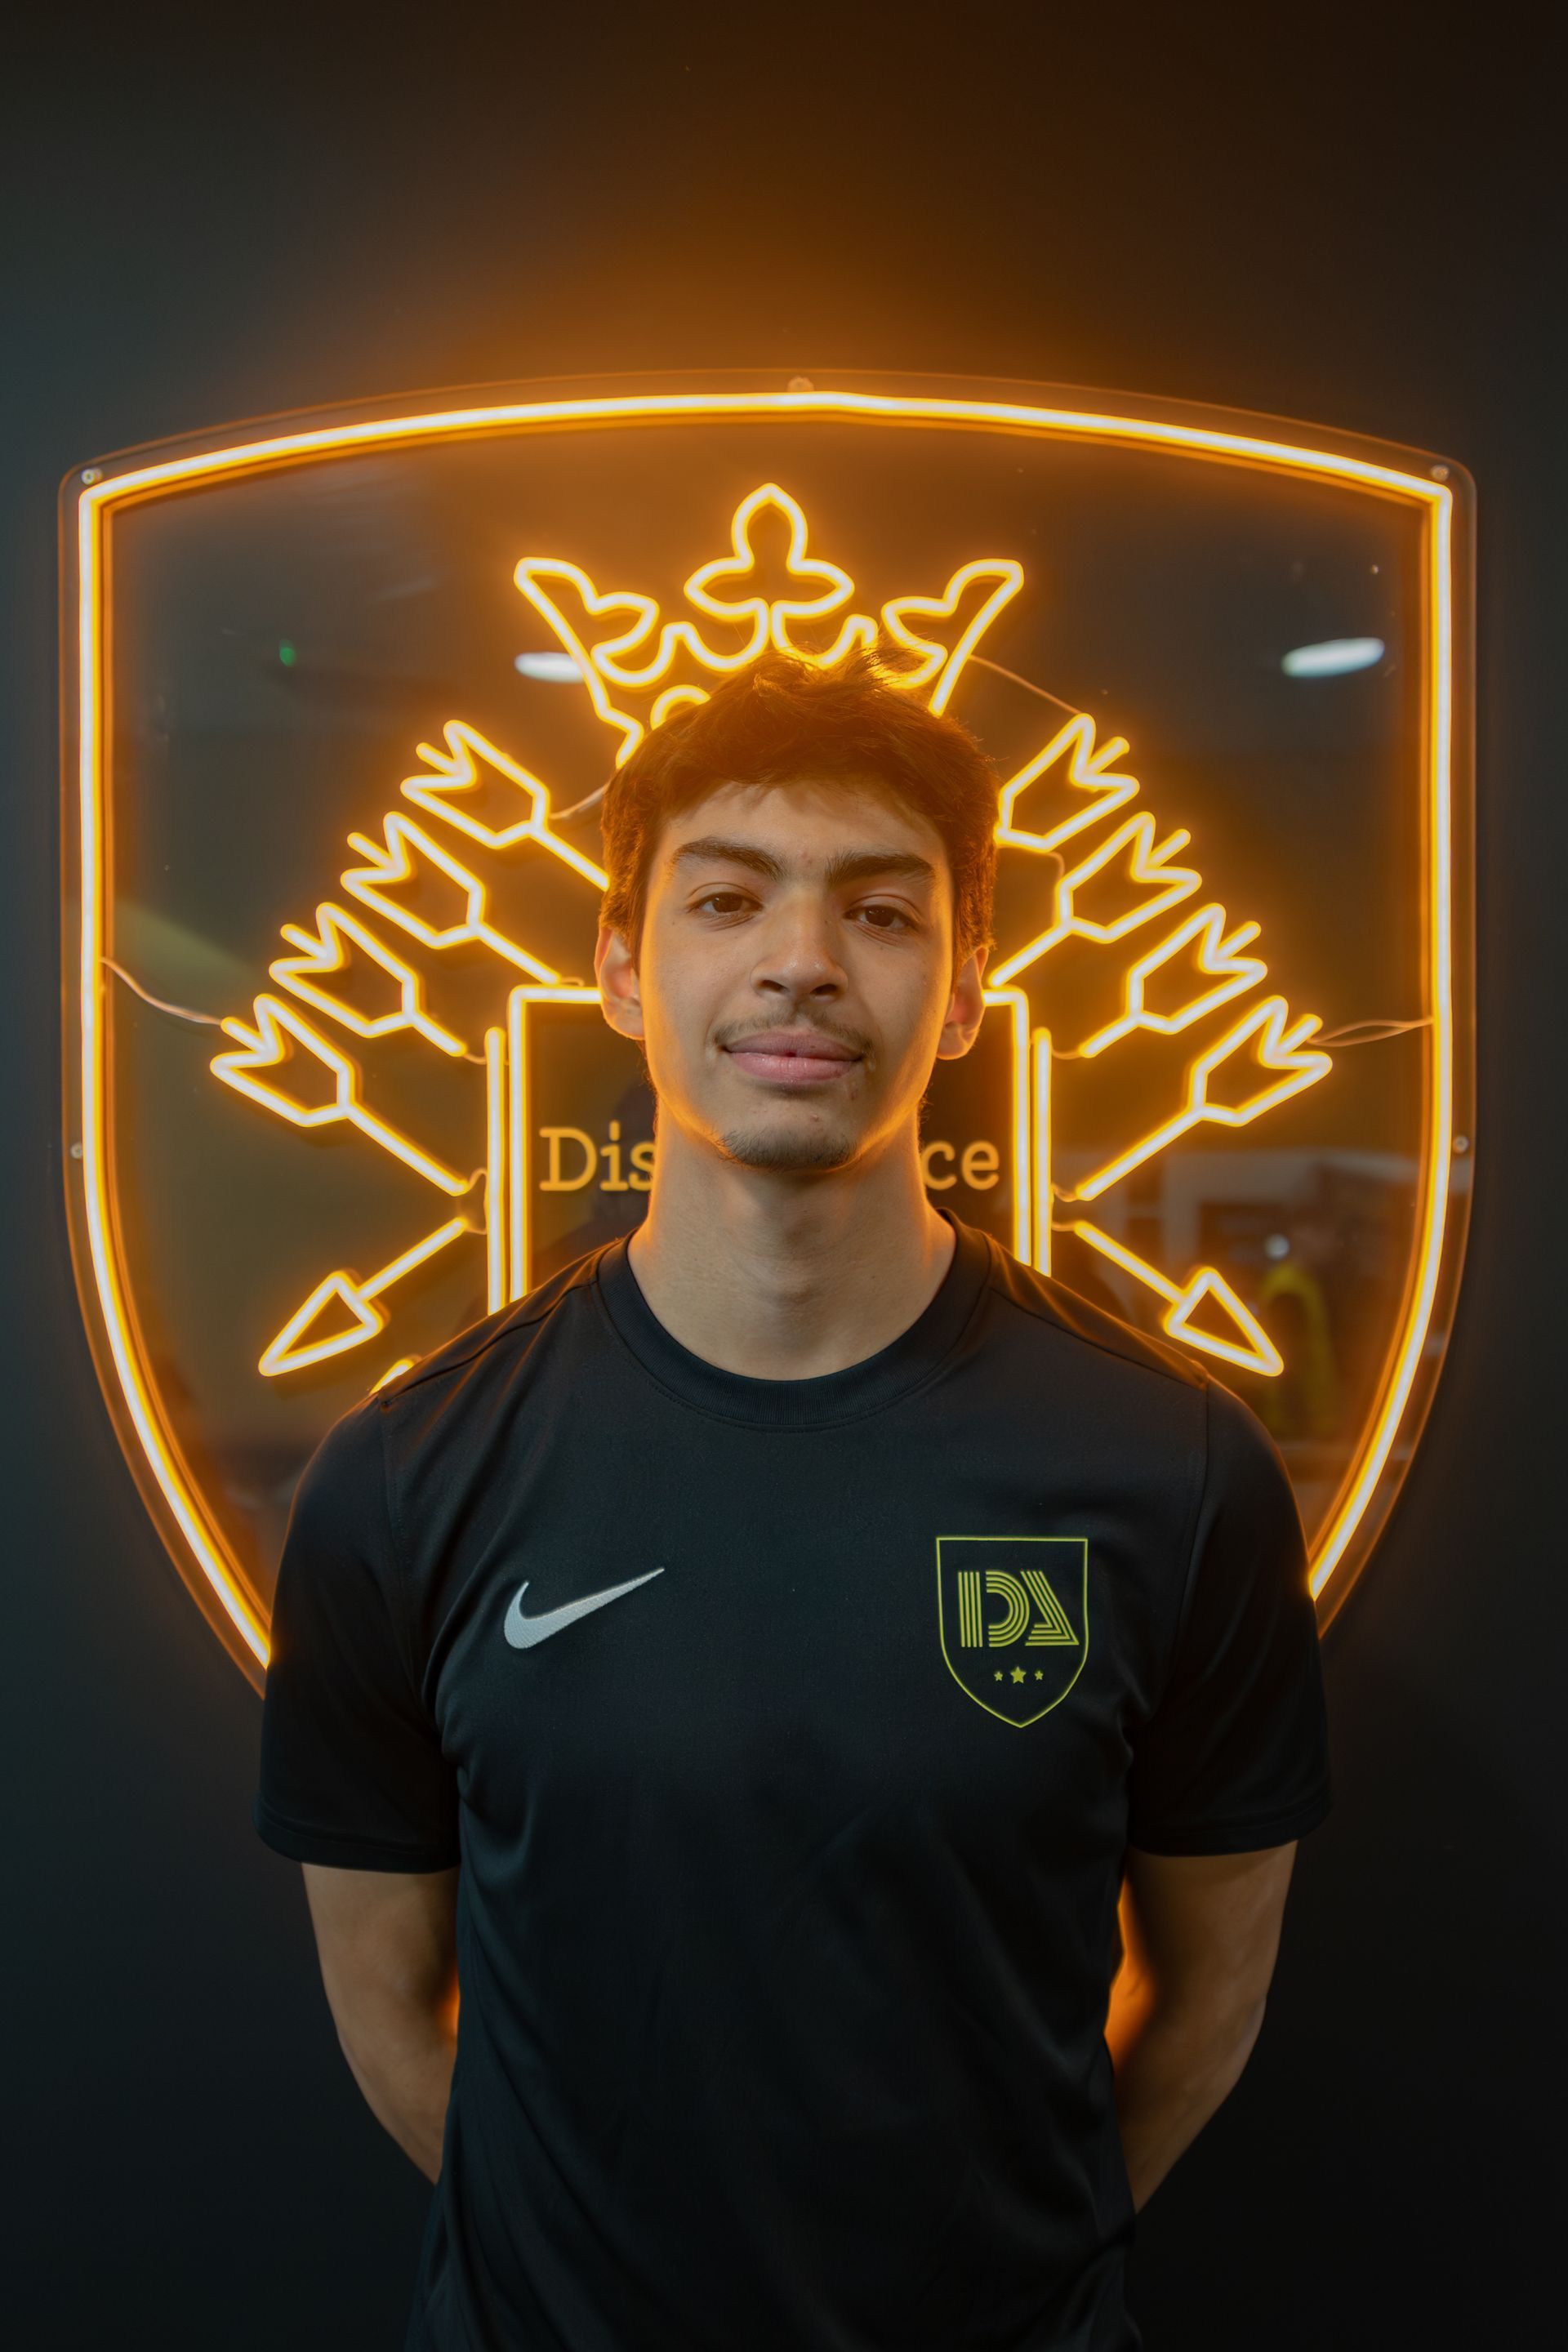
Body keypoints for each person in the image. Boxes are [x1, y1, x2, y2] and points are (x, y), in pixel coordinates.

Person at [255, 650, 1331, 2352]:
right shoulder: (404, 1479)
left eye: (883, 913)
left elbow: (1209, 1995)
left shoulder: (1174, 1471)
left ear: (966, 991)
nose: (803, 961)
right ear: (621, 968)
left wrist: (999, 2279)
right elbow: (391, 2013)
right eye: (728, 899)